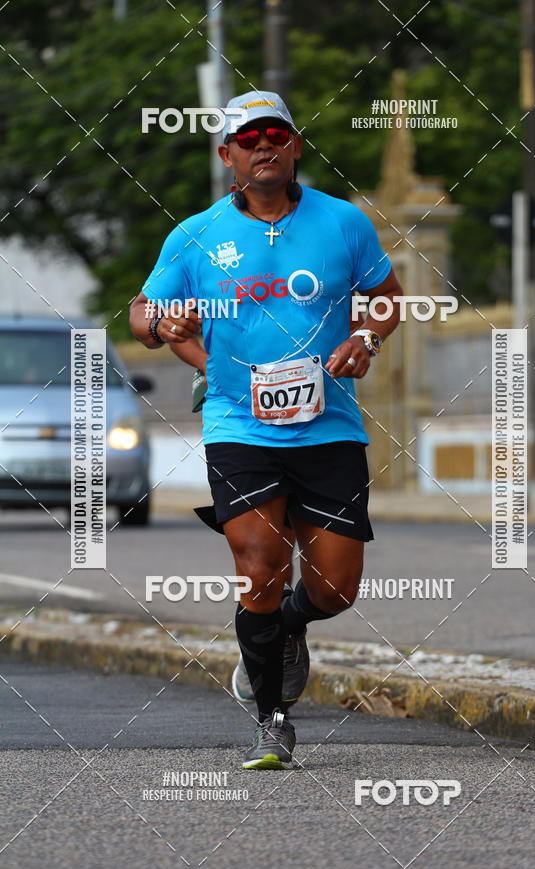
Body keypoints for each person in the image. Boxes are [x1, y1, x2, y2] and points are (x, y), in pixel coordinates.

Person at [129, 89, 402, 769]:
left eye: (275, 135)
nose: (264, 147)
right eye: (248, 140)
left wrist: (365, 336)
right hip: (236, 421)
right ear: (228, 156)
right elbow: (140, 309)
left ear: (296, 146)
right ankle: (272, 720)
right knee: (259, 564)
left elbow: (388, 299)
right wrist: (165, 327)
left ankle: (284, 628)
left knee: (337, 588)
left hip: (330, 425)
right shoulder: (194, 235)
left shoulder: (344, 224)